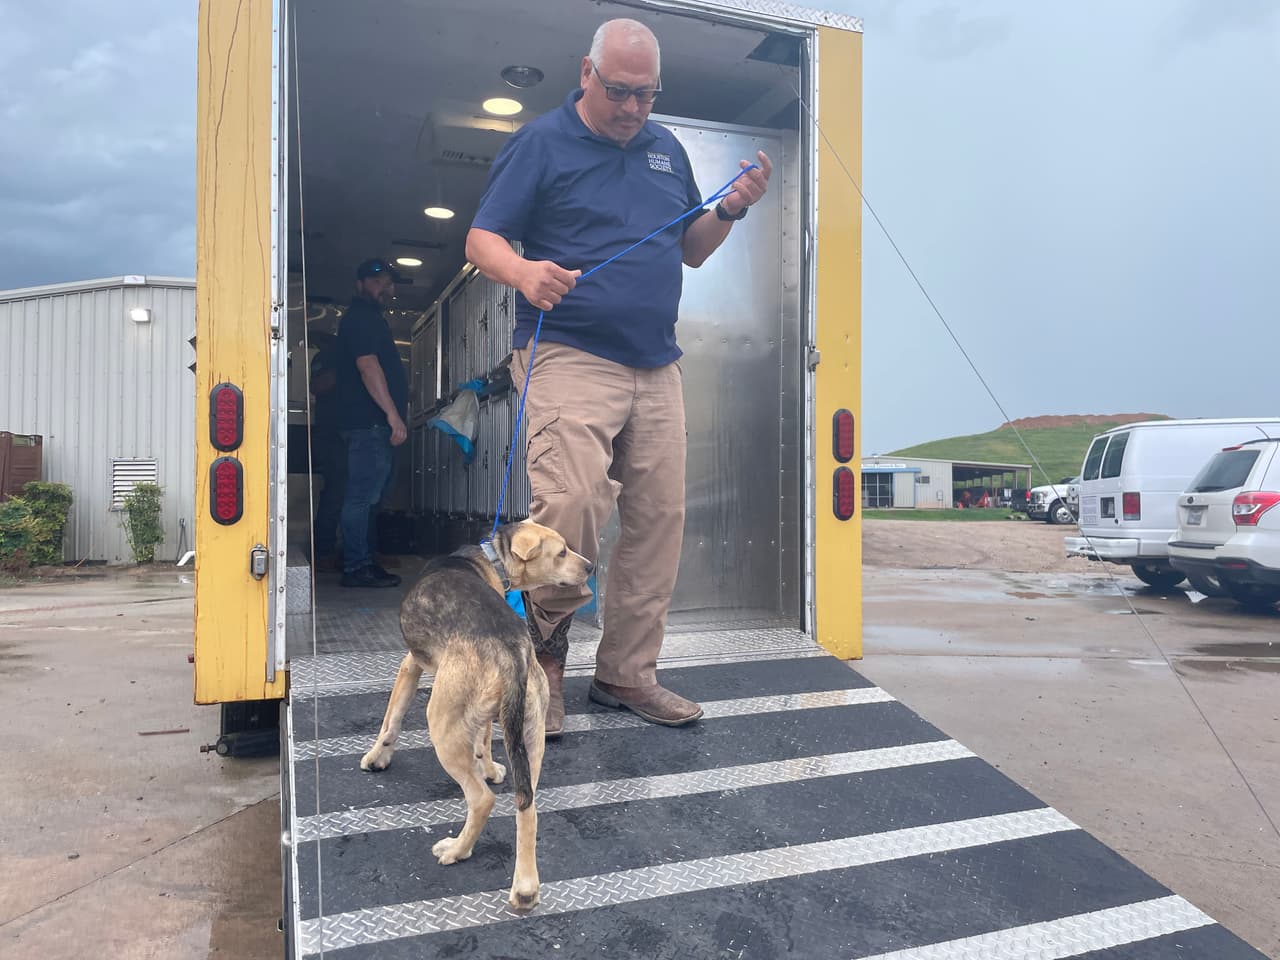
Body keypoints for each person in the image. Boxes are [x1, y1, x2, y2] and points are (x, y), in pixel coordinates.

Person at [465, 17, 771, 734]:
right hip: (568, 350)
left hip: (656, 362)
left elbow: (691, 249)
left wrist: (729, 208)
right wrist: (523, 271)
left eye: (648, 95)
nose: (635, 109)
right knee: (571, 502)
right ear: (586, 74)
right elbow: (482, 239)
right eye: (623, 92)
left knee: (660, 521)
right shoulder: (540, 143)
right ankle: (543, 659)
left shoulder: (667, 151)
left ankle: (627, 675)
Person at [334, 258, 409, 589]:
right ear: (360, 283)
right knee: (361, 497)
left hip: (370, 424)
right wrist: (392, 414)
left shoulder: (369, 319)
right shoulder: (361, 319)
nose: (386, 289)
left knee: (369, 497)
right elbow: (368, 367)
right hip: (368, 423)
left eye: (390, 283)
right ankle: (356, 566)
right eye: (378, 281)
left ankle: (364, 560)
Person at [308, 330, 345, 567]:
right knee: (336, 491)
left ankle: (352, 549)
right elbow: (317, 386)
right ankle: (323, 550)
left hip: (350, 433)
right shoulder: (325, 358)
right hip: (331, 434)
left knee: (356, 494)